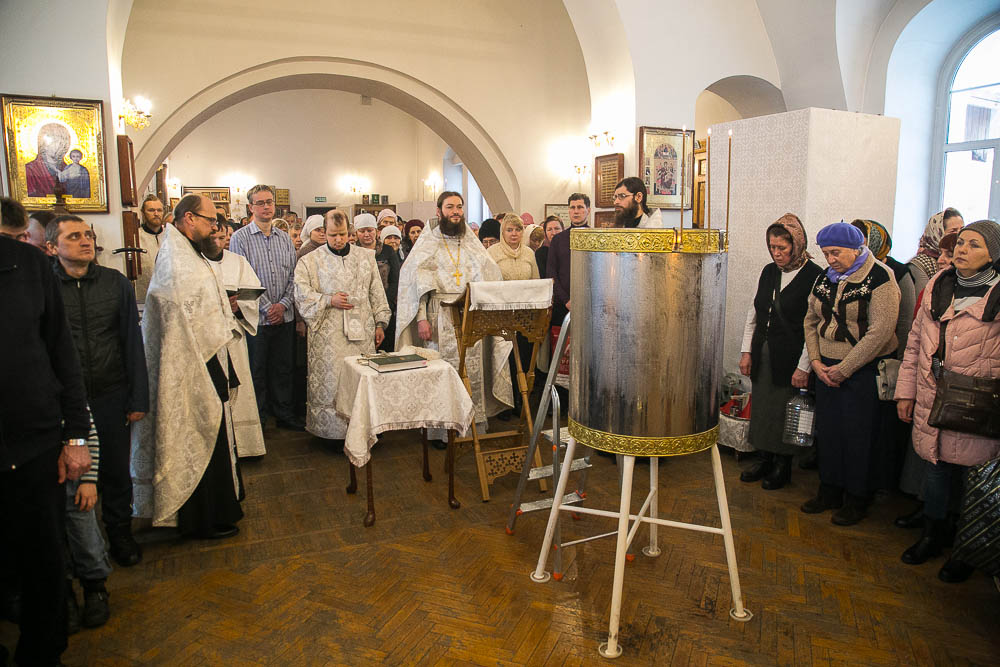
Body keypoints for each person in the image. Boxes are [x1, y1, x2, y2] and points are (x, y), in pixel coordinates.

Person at [1, 199, 91, 666]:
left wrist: (76, 436)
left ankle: (42, 652)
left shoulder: (31, 267)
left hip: (33, 436)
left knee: (43, 555)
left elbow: (62, 354)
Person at [131, 194, 245, 539]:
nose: (215, 228)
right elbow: (178, 308)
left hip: (203, 355)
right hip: (188, 362)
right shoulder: (176, 258)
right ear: (189, 218)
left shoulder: (187, 251)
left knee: (211, 432)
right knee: (198, 433)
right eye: (211, 220)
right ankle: (201, 519)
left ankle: (216, 510)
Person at [895, 220, 1000, 582]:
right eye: (960, 243)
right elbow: (914, 343)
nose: (962, 249)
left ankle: (967, 549)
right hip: (932, 393)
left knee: (974, 478)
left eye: (974, 245)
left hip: (977, 402)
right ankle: (932, 534)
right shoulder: (939, 284)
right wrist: (906, 391)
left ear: (993, 255)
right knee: (936, 469)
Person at [47, 214, 149, 566]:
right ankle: (76, 544)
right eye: (74, 236)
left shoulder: (114, 282)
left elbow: (131, 342)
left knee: (116, 470)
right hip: (65, 398)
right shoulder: (45, 286)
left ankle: (119, 533)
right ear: (52, 247)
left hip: (110, 390)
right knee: (68, 473)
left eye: (88, 235)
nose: (85, 241)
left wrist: (137, 397)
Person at [396, 191, 513, 445]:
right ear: (439, 211)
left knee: (473, 373)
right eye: (450, 207)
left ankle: (472, 428)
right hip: (439, 318)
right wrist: (421, 319)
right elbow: (415, 284)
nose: (456, 211)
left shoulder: (470, 241)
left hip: (470, 317)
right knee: (442, 375)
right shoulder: (428, 242)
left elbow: (490, 274)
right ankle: (440, 431)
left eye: (459, 206)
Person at [802, 222, 900, 525]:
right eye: (825, 253)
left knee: (859, 436)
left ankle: (857, 498)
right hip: (826, 368)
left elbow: (880, 332)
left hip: (862, 370)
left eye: (836, 253)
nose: (830, 259)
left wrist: (844, 369)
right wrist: (815, 361)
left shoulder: (880, 277)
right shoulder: (825, 277)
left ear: (857, 249)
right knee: (829, 432)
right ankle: (829, 489)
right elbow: (810, 321)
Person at [737, 214, 823, 490]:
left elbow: (813, 327)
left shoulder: (814, 276)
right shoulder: (768, 272)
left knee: (785, 411)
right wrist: (746, 352)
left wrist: (804, 366)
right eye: (772, 247)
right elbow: (754, 313)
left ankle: (782, 464)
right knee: (763, 407)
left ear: (796, 245)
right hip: (763, 351)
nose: (776, 253)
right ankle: (764, 458)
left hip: (791, 356)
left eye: (782, 248)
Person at [294, 211, 390, 441]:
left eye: (343, 234)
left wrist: (380, 323)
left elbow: (376, 291)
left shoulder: (366, 257)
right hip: (329, 337)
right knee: (333, 382)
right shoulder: (310, 260)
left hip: (362, 332)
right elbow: (301, 293)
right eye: (333, 235)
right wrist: (328, 300)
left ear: (350, 233)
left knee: (360, 379)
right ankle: (332, 433)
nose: (338, 239)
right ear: (324, 232)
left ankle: (363, 431)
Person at [229, 185, 303, 431]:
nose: (266, 207)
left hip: (285, 315)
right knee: (257, 370)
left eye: (269, 202)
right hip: (256, 319)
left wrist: (282, 305)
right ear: (251, 207)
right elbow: (242, 280)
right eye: (260, 203)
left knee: (284, 369)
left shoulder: (284, 237)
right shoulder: (240, 239)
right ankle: (258, 418)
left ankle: (284, 413)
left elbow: (294, 276)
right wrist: (268, 308)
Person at [202, 219, 267, 459]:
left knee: (240, 388)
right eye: (213, 238)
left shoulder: (238, 262)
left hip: (234, 338)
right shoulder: (195, 263)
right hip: (208, 339)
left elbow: (253, 295)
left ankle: (245, 445)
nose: (218, 243)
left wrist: (238, 306)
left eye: (222, 238)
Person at [63, 410, 112, 632]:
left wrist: (89, 480)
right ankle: (64, 596)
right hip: (41, 482)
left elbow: (88, 431)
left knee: (86, 539)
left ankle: (95, 589)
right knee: (53, 544)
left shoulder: (69, 396)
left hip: (75, 480)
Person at [487, 213, 540, 418]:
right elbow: (487, 283)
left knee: (524, 358)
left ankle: (520, 399)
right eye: (509, 230)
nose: (514, 234)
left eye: (518, 229)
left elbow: (535, 281)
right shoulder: (492, 252)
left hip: (525, 315)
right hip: (501, 315)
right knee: (505, 357)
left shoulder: (529, 253)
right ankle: (503, 402)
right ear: (503, 232)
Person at [547, 193, 590, 331]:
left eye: (580, 207)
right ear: (569, 210)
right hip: (562, 304)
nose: (576, 211)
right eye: (572, 207)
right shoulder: (558, 240)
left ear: (588, 210)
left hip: (590, 303)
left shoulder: (596, 236)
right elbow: (551, 273)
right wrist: (566, 300)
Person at [907, 208, 964, 297]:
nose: (959, 235)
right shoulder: (921, 264)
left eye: (962, 230)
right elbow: (924, 300)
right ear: (937, 233)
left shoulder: (965, 258)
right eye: (953, 231)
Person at [135, 195, 167, 304]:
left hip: (168, 295)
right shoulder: (136, 237)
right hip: (144, 296)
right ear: (143, 213)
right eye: (151, 210)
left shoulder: (170, 236)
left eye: (159, 210)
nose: (156, 214)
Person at [25, 122, 71, 197]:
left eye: (62, 142)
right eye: (55, 142)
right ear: (44, 144)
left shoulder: (68, 169)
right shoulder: (31, 170)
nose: (59, 146)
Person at [377, 225, 403, 350]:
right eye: (389, 238)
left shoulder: (406, 256)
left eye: (396, 238)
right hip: (384, 303)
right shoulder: (379, 256)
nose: (393, 241)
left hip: (396, 306)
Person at [535, 215, 563, 279]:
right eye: (549, 229)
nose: (554, 233)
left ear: (563, 230)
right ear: (545, 233)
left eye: (557, 228)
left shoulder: (570, 250)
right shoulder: (541, 253)